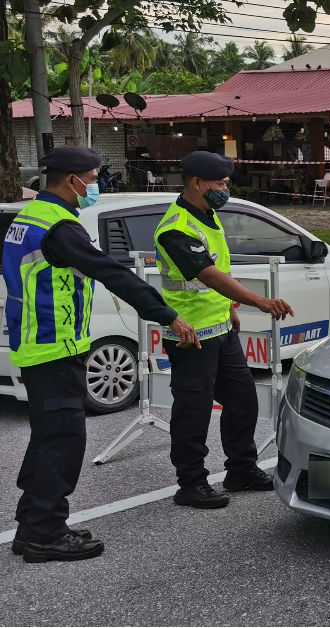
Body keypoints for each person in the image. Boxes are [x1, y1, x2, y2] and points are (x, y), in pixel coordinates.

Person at [2, 146, 199, 563]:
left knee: (47, 438)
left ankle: (32, 523)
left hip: (36, 342)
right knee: (62, 441)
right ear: (71, 179)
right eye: (92, 178)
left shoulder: (29, 216)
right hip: (54, 346)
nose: (96, 185)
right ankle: (46, 535)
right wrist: (166, 315)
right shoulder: (57, 227)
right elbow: (110, 272)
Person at [154, 151, 294, 509]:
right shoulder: (176, 227)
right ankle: (191, 483)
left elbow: (218, 273)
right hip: (190, 336)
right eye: (220, 183)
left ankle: (241, 468)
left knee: (243, 400)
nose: (225, 188)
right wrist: (258, 301)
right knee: (193, 411)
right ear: (198, 183)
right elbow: (207, 274)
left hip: (219, 329)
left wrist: (230, 309)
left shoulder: (206, 216)